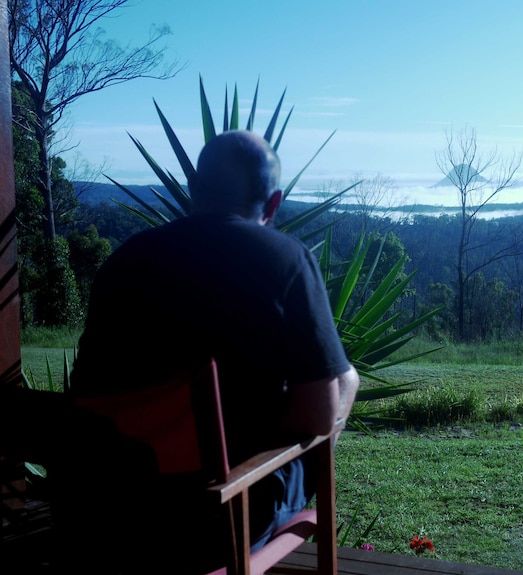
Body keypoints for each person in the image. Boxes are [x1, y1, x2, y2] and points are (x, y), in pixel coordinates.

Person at [63, 130, 359, 572]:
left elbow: (88, 390)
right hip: (214, 524)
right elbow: (317, 417)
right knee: (346, 379)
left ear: (193, 189)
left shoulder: (126, 259)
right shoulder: (286, 259)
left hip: (107, 514)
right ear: (274, 204)